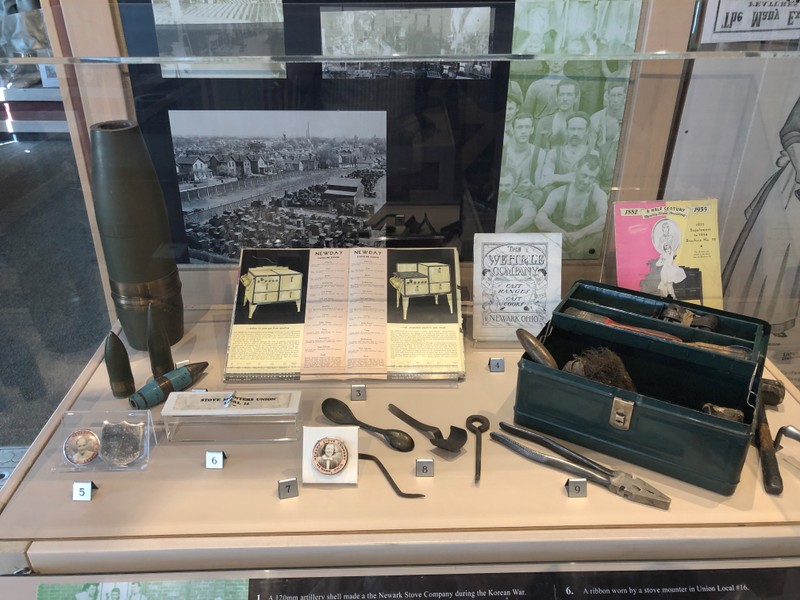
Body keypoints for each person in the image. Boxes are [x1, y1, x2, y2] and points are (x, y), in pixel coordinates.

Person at [722, 95, 800, 335]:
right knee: (774, 254)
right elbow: (792, 134)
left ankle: (777, 323)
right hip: (795, 183)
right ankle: (744, 323)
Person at [535, 154, 608, 258]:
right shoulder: (559, 192)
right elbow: (540, 218)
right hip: (562, 239)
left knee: (598, 238)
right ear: (576, 170)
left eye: (591, 178)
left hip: (584, 242)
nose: (586, 181)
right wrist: (559, 231)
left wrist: (581, 233)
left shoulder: (598, 194)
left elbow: (606, 219)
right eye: (584, 175)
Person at [538, 111, 597, 195]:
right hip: (556, 196)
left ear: (586, 131)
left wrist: (555, 178)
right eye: (572, 129)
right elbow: (544, 181)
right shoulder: (554, 153)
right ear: (566, 129)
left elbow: (589, 182)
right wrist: (572, 177)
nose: (575, 133)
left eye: (580, 129)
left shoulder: (592, 154)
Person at [533, 79, 581, 149]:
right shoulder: (544, 122)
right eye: (561, 94)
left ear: (576, 98)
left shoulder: (581, 123)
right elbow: (536, 151)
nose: (565, 99)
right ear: (556, 98)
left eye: (569, 94)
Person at [589, 81, 627, 151]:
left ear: (625, 96)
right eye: (613, 95)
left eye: (619, 95)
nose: (616, 100)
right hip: (600, 158)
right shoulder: (595, 118)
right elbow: (591, 148)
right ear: (607, 96)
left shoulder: (632, 117)